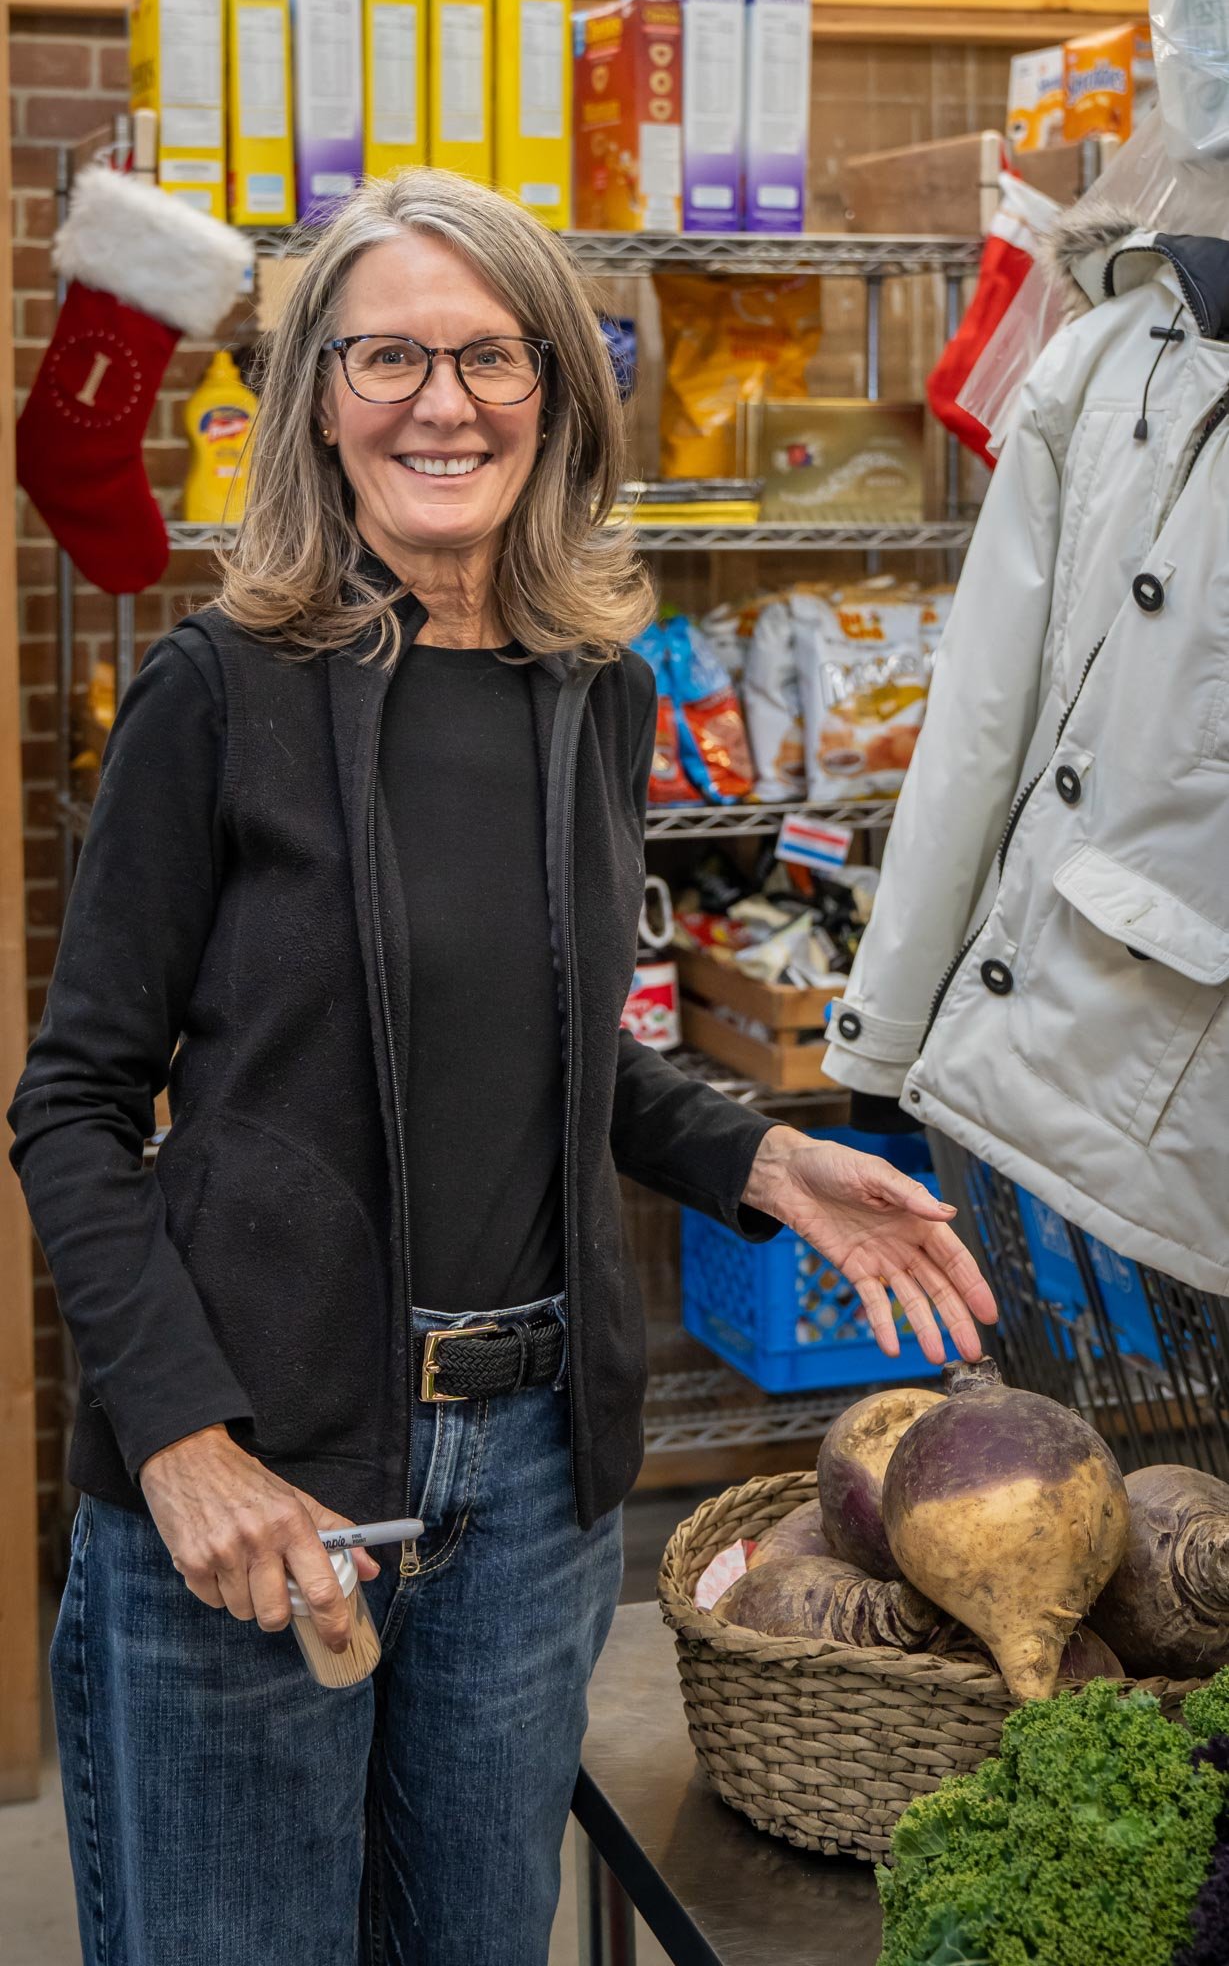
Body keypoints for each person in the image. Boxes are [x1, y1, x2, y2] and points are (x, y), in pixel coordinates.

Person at [8, 168, 996, 1966]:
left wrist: (761, 1161)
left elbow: (542, 1049)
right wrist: (180, 1442)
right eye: (387, 355)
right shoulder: (217, 691)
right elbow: (68, 1104)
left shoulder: (589, 695)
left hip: (535, 1486)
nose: (442, 403)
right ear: (318, 394)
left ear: (555, 393)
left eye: (490, 357)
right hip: (266, 1464)